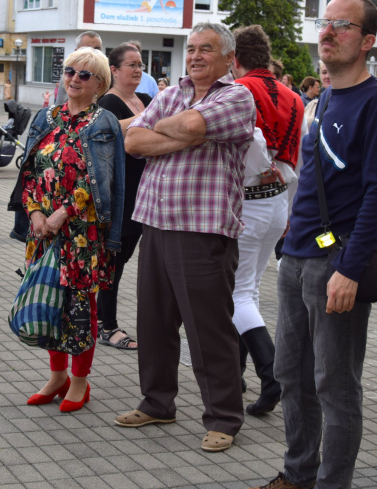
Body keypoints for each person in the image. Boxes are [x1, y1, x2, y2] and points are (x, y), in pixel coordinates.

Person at [254, 0, 377, 489]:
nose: (328, 32)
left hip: (337, 263)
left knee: (335, 385)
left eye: (342, 25)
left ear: (366, 41)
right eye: (325, 23)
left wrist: (351, 268)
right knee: (291, 375)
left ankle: (331, 483)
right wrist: (287, 239)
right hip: (296, 258)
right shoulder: (323, 100)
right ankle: (298, 474)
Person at [114, 22, 256, 454]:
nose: (195, 56)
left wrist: (181, 131)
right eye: (191, 49)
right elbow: (133, 140)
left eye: (205, 49)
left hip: (203, 227)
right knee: (154, 323)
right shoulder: (173, 92)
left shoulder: (237, 96)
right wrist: (186, 135)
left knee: (207, 329)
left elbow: (194, 125)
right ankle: (157, 403)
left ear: (228, 58)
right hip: (155, 220)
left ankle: (224, 418)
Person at [11, 47, 124, 412]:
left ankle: (79, 381)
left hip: (80, 232)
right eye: (71, 71)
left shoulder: (102, 122)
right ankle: (56, 376)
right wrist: (34, 213)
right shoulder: (46, 117)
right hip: (42, 230)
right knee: (49, 300)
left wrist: (63, 212)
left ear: (100, 84)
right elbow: (28, 171)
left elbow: (101, 182)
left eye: (85, 75)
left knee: (78, 306)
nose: (75, 78)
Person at [231, 25, 303, 416]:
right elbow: (297, 155)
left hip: (249, 200)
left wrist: (263, 167)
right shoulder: (293, 95)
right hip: (277, 203)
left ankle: (271, 376)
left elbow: (255, 142)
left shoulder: (241, 90)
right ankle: (237, 372)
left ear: (235, 57)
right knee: (249, 291)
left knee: (236, 294)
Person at [95, 44, 150, 351]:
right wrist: (148, 121)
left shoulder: (145, 100)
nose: (138, 70)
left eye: (140, 64)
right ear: (114, 70)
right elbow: (110, 132)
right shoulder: (108, 102)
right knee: (113, 262)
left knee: (123, 260)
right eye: (131, 65)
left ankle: (100, 318)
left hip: (147, 191)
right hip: (122, 193)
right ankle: (107, 325)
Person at [55, 31, 103, 105]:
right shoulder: (68, 75)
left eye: (97, 49)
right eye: (88, 49)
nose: (93, 52)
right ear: (76, 52)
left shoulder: (108, 75)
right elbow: (59, 105)